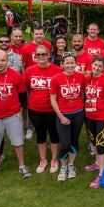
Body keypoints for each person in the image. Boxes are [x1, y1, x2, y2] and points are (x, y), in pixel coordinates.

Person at [0, 50, 31, 182]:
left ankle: (22, 165)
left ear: (7, 61)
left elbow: (22, 97)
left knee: (18, 142)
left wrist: (19, 111)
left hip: (12, 115)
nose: (0, 63)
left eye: (3, 60)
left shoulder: (16, 76)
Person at [24, 45, 62, 174]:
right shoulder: (29, 71)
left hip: (52, 110)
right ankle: (43, 159)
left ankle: (54, 159)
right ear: (35, 56)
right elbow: (28, 89)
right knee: (40, 135)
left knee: (54, 134)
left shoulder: (57, 70)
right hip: (35, 109)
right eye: (38, 55)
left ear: (49, 55)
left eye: (43, 54)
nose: (41, 57)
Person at [50, 53, 86, 181]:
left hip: (78, 113)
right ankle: (63, 166)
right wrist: (60, 116)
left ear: (75, 64)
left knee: (74, 140)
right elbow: (53, 99)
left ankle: (71, 165)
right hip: (63, 114)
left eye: (72, 62)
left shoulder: (81, 77)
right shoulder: (56, 78)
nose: (70, 65)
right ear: (62, 64)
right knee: (65, 142)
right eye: (67, 63)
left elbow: (84, 92)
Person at [84, 57, 104, 188]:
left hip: (102, 117)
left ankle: (101, 174)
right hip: (89, 116)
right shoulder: (88, 78)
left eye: (99, 66)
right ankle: (97, 163)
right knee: (93, 142)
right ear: (92, 65)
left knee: (100, 144)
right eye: (95, 65)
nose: (96, 68)